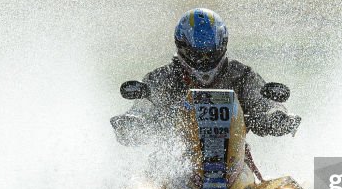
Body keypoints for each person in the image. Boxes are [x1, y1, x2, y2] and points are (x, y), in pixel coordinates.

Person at [111, 8, 301, 147]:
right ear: (181, 47)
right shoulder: (162, 78)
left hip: (234, 163)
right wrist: (132, 122)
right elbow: (144, 106)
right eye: (196, 54)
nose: (204, 60)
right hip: (173, 164)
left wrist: (279, 116)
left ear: (223, 45)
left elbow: (263, 104)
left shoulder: (241, 76)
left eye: (210, 53)